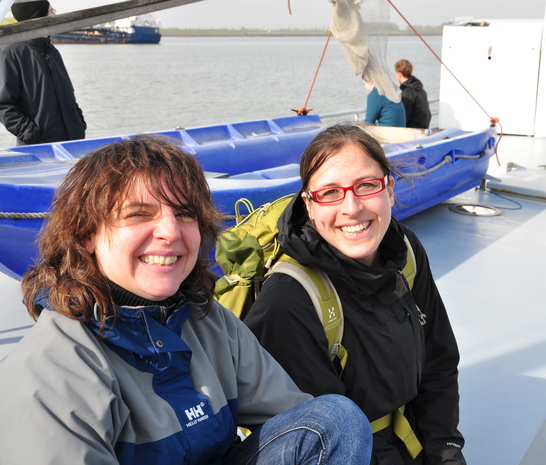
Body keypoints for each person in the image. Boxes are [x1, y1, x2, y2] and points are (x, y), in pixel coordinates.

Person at [0, 135, 373, 464]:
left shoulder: (206, 320)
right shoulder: (52, 370)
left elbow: (299, 419)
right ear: (86, 236)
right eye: (138, 215)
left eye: (184, 214)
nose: (169, 231)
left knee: (336, 421)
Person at [244, 123, 466, 465]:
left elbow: (438, 364)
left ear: (389, 190)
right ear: (309, 204)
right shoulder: (288, 302)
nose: (351, 208)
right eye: (330, 192)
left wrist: (445, 454)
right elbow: (326, 443)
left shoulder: (404, 252)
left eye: (365, 185)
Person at [0, 0, 86, 145]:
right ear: (38, 16)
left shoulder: (52, 51)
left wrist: (79, 123)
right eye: (51, 11)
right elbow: (3, 103)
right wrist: (30, 133)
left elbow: (67, 93)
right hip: (39, 147)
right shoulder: (10, 53)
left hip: (72, 142)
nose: (55, 16)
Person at [395, 60, 431, 129]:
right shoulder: (420, 90)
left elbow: (404, 117)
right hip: (423, 127)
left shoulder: (407, 93)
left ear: (399, 74)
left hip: (413, 130)